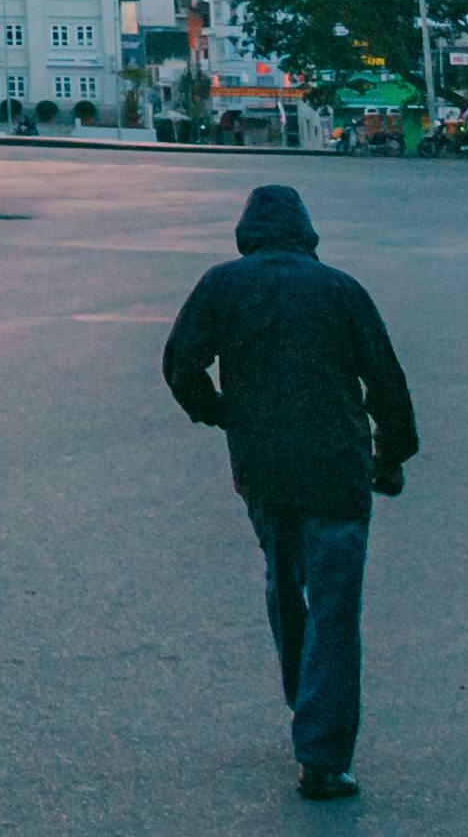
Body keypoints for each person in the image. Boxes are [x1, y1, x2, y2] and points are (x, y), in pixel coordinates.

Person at [163, 185, 420, 804]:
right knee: (335, 608)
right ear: (307, 234)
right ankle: (322, 758)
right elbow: (386, 381)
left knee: (285, 585)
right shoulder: (340, 289)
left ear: (247, 234)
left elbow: (180, 366)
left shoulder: (221, 286)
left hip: (264, 469)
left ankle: (303, 702)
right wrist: (391, 456)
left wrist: (223, 414)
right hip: (337, 471)